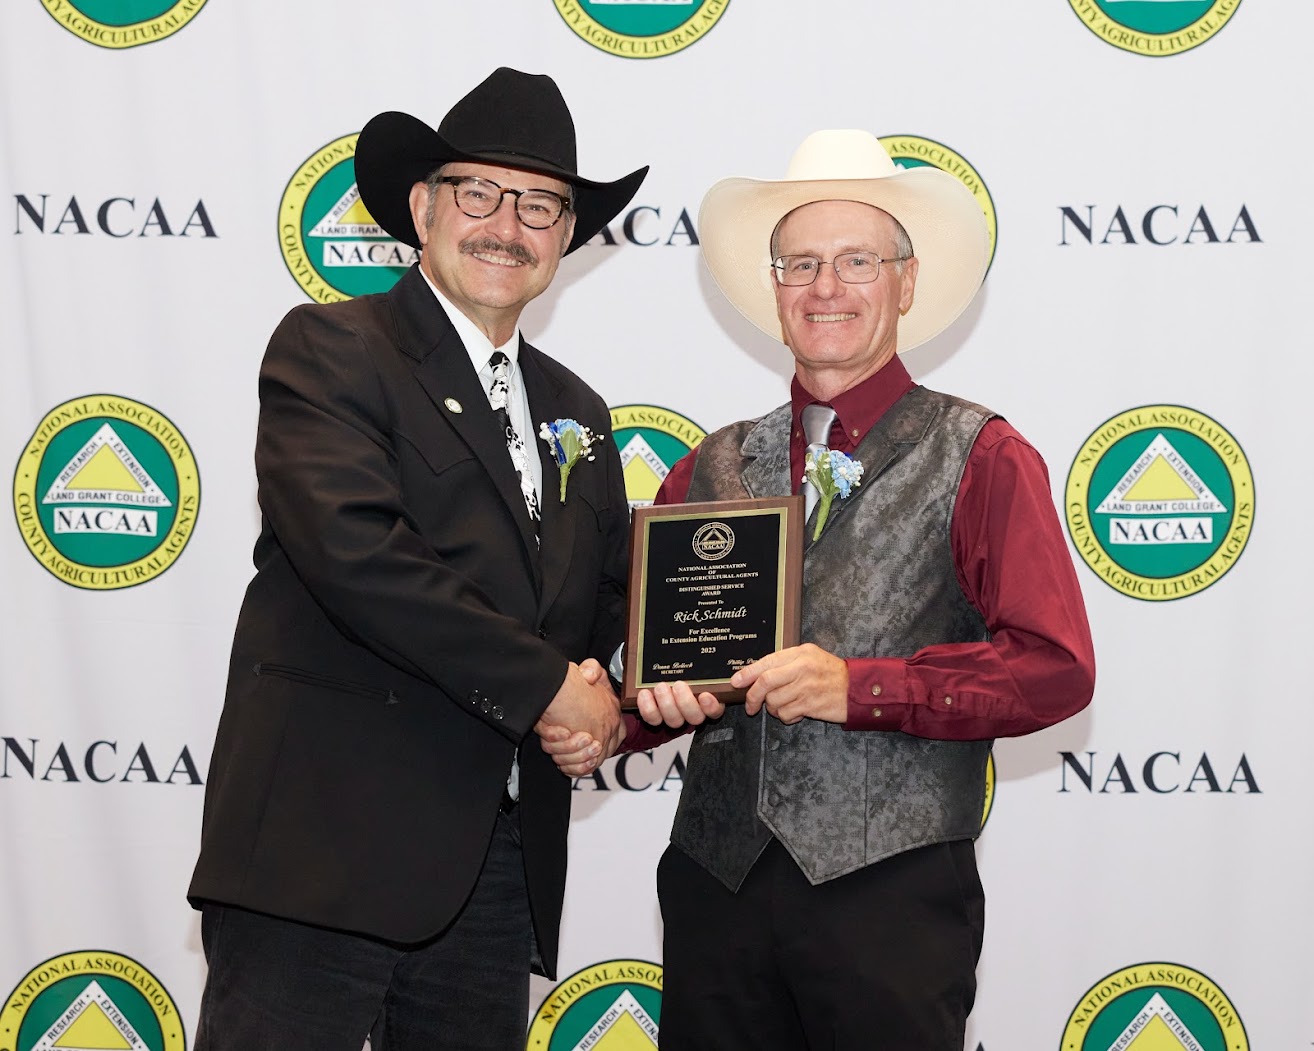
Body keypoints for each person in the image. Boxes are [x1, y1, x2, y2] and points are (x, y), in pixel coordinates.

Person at [554, 129, 1096, 1049]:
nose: (825, 287)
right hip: (714, 890)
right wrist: (622, 713)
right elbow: (658, 670)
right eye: (800, 263)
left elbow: (1055, 670)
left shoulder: (984, 455)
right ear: (774, 287)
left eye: (856, 261)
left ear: (907, 283)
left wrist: (865, 688)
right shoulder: (710, 466)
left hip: (890, 897)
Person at [187, 67, 646, 1050]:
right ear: (423, 207)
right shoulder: (332, 348)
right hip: (319, 859)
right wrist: (547, 690)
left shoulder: (580, 411)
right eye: (478, 192)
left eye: (539, 205)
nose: (505, 225)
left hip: (492, 874)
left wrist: (628, 697)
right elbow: (360, 555)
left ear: (565, 236)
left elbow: (603, 606)